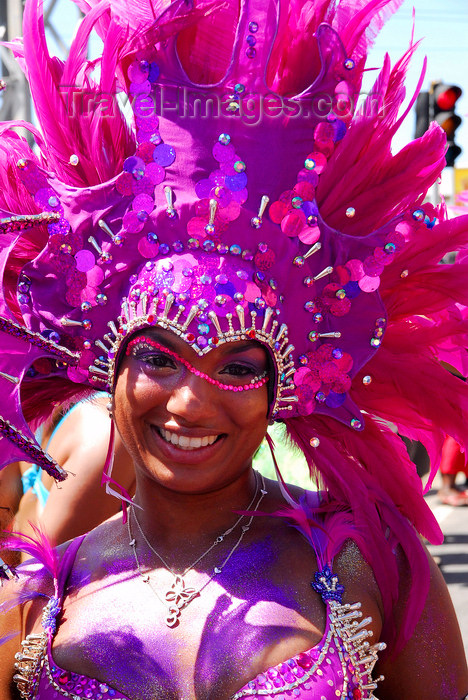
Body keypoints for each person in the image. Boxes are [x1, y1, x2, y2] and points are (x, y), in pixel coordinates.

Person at [0, 0, 468, 699]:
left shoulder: (375, 564)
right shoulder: (40, 598)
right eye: (159, 357)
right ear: (110, 366)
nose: (190, 401)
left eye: (239, 367)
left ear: (286, 384)